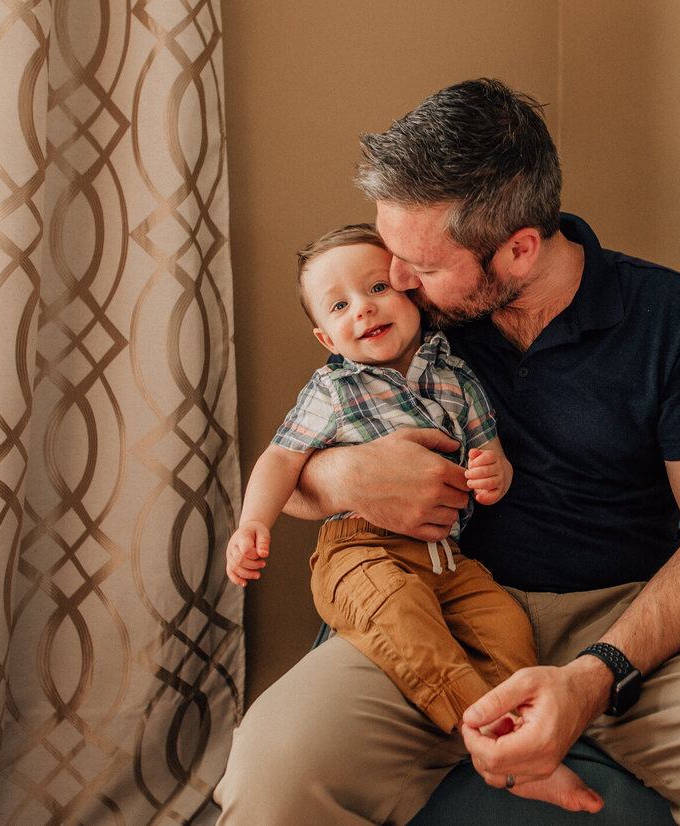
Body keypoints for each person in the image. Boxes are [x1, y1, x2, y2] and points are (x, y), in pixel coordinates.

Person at [215, 79, 680, 824]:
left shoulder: (673, 317)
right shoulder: (408, 325)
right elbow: (299, 465)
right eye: (391, 257)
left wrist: (597, 675)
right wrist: (346, 474)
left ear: (518, 251)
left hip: (630, 619)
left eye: (421, 265)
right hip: (441, 604)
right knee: (273, 770)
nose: (394, 282)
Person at [224, 224, 602, 814]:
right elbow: (282, 458)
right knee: (403, 617)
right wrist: (254, 523)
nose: (365, 308)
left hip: (450, 559)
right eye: (342, 305)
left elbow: (487, 445)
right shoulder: (335, 389)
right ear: (326, 334)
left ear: (412, 294)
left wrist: (492, 472)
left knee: (504, 625)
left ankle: (517, 734)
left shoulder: (455, 373)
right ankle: (480, 735)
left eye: (378, 286)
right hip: (361, 552)